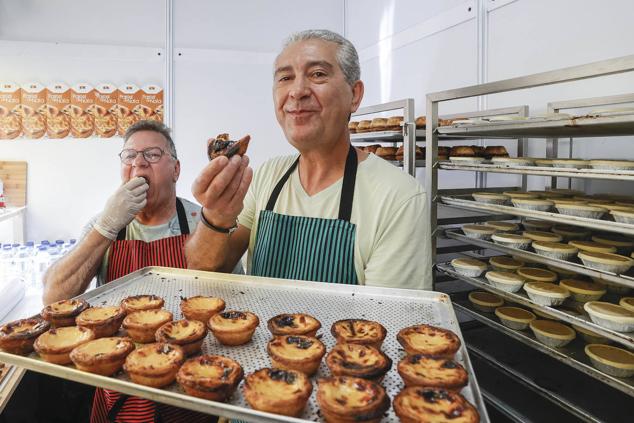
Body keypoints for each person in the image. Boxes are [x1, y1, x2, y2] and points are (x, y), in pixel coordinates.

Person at [185, 29, 433, 290]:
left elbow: (390, 318)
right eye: (285, 77)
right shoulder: (268, 175)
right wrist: (215, 216)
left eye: (317, 74)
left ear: (354, 95)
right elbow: (206, 272)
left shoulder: (398, 196)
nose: (297, 91)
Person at [42, 120, 219, 423]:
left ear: (175, 169)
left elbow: (232, 302)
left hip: (192, 384)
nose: (138, 162)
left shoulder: (204, 223)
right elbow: (53, 297)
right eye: (129, 156)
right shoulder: (104, 224)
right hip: (118, 385)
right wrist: (106, 227)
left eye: (152, 155)